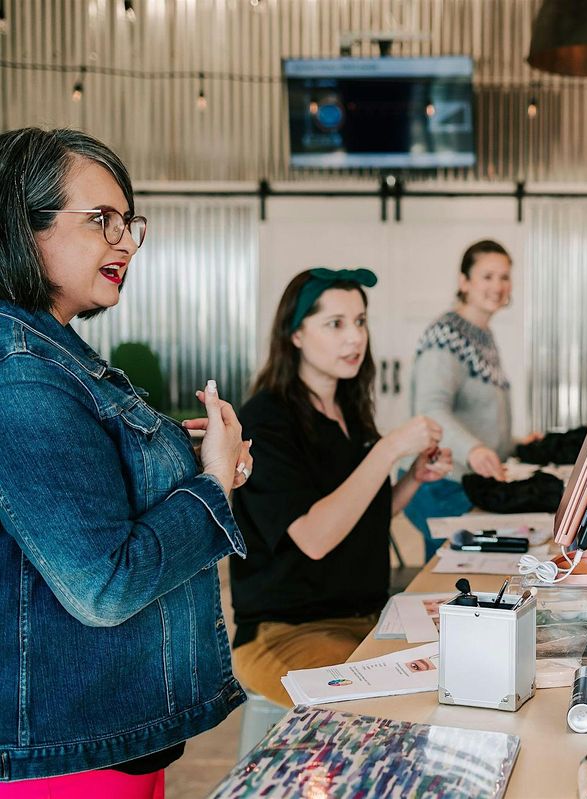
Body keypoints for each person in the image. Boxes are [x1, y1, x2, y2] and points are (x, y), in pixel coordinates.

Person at [0, 128, 251, 795]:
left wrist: (198, 461)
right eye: (100, 221)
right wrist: (211, 484)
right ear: (22, 228)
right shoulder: (22, 373)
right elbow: (104, 586)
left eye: (129, 223)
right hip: (67, 762)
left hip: (104, 738)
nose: (125, 243)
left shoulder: (58, 354)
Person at [230, 268, 451, 707]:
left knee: (461, 672)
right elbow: (315, 537)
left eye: (360, 321)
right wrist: (388, 450)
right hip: (287, 630)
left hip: (366, 616)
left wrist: (411, 480)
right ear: (294, 335)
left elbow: (365, 515)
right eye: (335, 324)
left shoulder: (349, 408)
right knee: (389, 706)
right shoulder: (266, 420)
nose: (354, 338)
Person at [406, 240, 529, 555]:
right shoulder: (446, 336)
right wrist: (472, 449)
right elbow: (430, 410)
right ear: (464, 282)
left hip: (466, 482)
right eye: (487, 276)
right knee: (447, 581)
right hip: (440, 482)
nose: (498, 286)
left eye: (504, 277)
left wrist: (516, 443)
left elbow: (479, 415)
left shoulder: (482, 335)